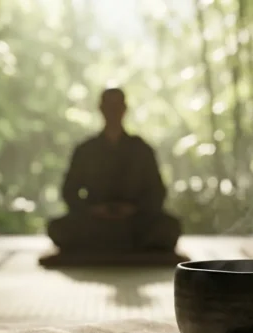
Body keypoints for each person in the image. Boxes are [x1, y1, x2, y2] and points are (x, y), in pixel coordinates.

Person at [47, 88, 181, 253]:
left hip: (134, 221)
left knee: (169, 227)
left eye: (117, 106)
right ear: (101, 109)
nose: (113, 111)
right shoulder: (85, 149)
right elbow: (69, 191)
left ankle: (106, 243)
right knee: (58, 228)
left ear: (124, 109)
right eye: (109, 106)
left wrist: (134, 209)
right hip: (95, 221)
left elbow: (157, 191)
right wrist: (93, 210)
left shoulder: (141, 148)